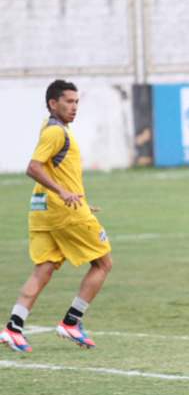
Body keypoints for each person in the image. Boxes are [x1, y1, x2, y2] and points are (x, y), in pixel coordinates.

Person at [0, 80, 113, 352]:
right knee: (103, 263)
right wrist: (64, 193)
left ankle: (13, 328)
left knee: (43, 270)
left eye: (76, 102)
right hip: (64, 212)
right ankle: (71, 322)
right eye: (69, 102)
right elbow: (33, 168)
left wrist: (76, 197)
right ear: (53, 103)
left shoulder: (51, 128)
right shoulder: (56, 132)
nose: (74, 107)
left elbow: (54, 170)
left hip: (44, 211)